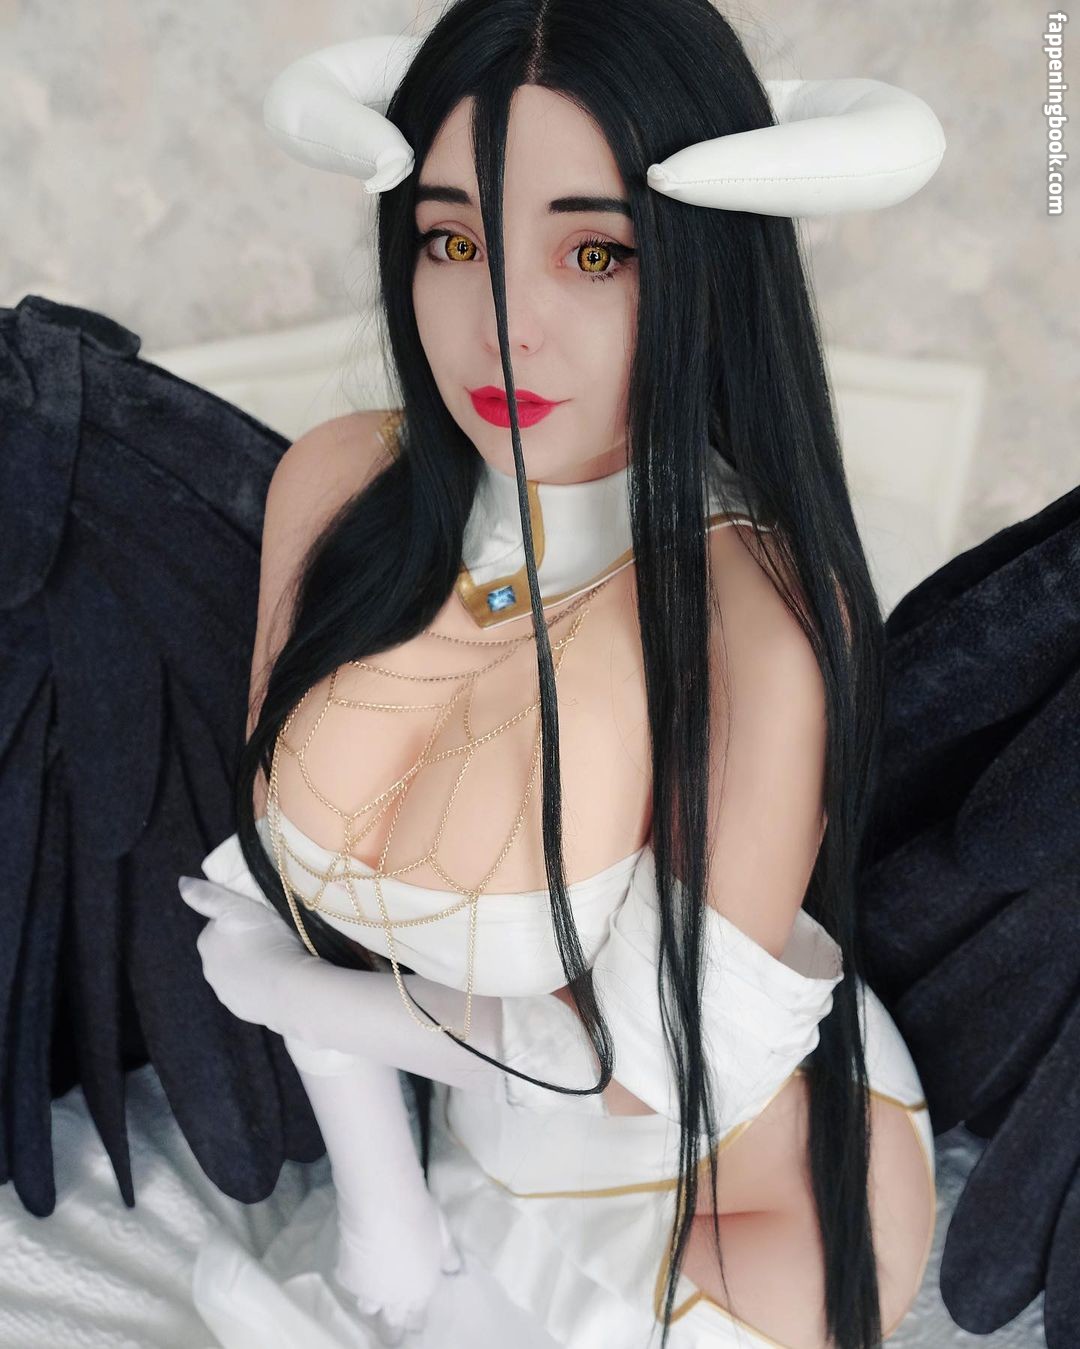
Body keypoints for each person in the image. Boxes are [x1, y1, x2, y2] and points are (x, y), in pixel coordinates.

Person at [179, 4, 946, 1346]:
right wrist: (382, 1219)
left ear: (704, 265)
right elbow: (288, 908)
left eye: (595, 252)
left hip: (746, 1191)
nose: (503, 326)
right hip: (492, 1143)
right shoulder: (340, 486)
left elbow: (651, 1067)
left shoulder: (754, 618)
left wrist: (302, 996)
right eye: (453, 241)